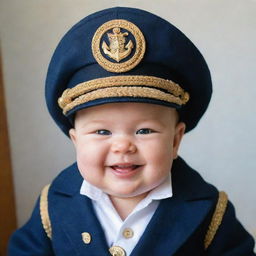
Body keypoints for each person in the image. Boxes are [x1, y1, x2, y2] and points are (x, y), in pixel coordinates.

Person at [8, 7, 255, 256]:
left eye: (144, 130)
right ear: (76, 141)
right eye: (103, 132)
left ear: (175, 140)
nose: (123, 146)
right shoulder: (53, 204)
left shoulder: (211, 211)